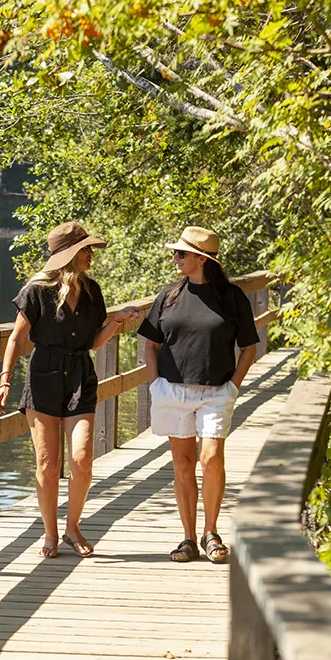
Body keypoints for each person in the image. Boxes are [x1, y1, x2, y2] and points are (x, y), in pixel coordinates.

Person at [0, 221, 139, 558]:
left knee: (82, 458)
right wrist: (4, 379)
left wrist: (116, 322)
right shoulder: (36, 291)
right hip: (43, 375)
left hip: (79, 375)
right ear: (70, 254)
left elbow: (94, 341)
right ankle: (50, 533)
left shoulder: (92, 292)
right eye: (86, 249)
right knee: (47, 463)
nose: (91, 255)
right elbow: (16, 338)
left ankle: (73, 526)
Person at [137, 226, 259, 563]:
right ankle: (188, 538)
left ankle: (211, 532)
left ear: (201, 259)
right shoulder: (170, 294)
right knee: (183, 463)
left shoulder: (232, 298)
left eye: (181, 254)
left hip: (216, 392)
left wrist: (233, 386)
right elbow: (151, 343)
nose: (175, 258)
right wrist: (155, 383)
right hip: (172, 391)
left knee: (211, 458)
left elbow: (248, 348)